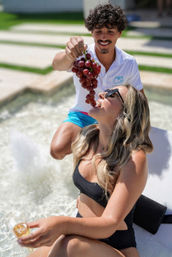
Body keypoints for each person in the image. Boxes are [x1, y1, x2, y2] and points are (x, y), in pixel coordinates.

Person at [18, 84, 153, 257]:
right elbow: (56, 149)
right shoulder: (88, 138)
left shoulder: (133, 158)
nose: (102, 93)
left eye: (112, 94)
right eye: (105, 90)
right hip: (83, 237)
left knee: (69, 245)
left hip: (117, 249)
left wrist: (63, 224)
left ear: (126, 112)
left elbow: (110, 223)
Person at [50, 4, 144, 160]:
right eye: (98, 31)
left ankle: (90, 151)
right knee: (56, 150)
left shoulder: (129, 62)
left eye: (110, 32)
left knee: (112, 161)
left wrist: (140, 128)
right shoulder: (81, 55)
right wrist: (69, 54)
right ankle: (87, 150)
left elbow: (139, 98)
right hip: (83, 115)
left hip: (113, 119)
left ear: (119, 33)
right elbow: (56, 64)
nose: (104, 37)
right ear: (92, 32)